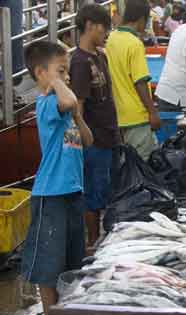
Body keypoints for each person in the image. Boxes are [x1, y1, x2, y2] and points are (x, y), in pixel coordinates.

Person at [21, 41, 93, 315]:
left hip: (72, 193)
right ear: (41, 73)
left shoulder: (67, 109)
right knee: (48, 264)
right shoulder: (47, 103)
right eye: (60, 71)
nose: (66, 78)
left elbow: (87, 140)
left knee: (70, 260)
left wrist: (76, 115)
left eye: (67, 73)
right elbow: (67, 100)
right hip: (50, 194)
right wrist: (59, 88)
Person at [70, 4, 120, 250]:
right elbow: (77, 106)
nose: (107, 32)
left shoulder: (100, 55)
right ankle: (92, 245)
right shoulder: (79, 62)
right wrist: (80, 141)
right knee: (93, 194)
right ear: (90, 25)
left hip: (108, 136)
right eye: (104, 27)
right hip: (93, 141)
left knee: (103, 192)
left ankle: (97, 240)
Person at [106, 0, 160, 161]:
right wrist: (152, 112)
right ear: (141, 19)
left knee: (125, 170)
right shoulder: (135, 43)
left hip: (118, 116)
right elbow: (140, 82)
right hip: (137, 117)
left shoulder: (111, 38)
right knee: (142, 168)